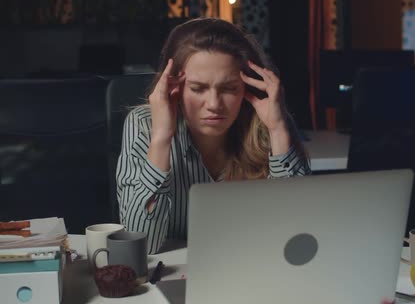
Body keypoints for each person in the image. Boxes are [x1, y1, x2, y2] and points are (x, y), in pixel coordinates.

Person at [116, 18, 310, 254]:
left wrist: (278, 130)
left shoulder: (270, 119)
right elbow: (143, 245)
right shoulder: (145, 125)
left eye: (229, 89)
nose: (214, 104)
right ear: (173, 87)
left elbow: (297, 237)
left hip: (253, 271)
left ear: (247, 88)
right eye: (198, 89)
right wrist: (161, 138)